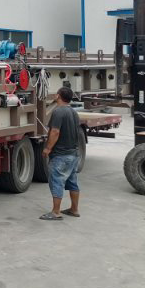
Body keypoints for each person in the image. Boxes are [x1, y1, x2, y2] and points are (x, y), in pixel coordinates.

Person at [39, 86, 81, 220]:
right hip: (73, 153)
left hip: (60, 155)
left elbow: (55, 132)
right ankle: (74, 209)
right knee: (72, 182)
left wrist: (48, 148)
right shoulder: (73, 112)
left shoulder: (58, 112)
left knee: (57, 181)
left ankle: (55, 212)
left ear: (58, 96)